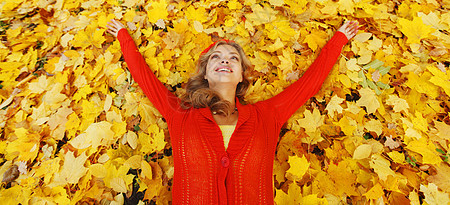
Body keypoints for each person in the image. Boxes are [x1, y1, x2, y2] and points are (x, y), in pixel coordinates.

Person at [106, 19, 359, 205]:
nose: (225, 60)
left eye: (233, 58)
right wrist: (123, 37)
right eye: (216, 57)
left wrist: (338, 40)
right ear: (205, 73)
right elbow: (144, 78)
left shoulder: (266, 116)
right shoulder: (181, 114)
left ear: (241, 77)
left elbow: (308, 85)